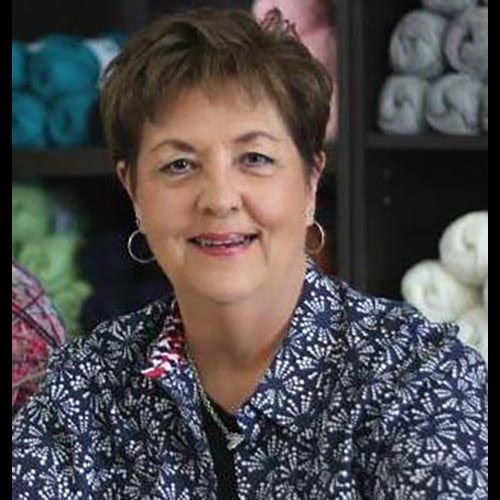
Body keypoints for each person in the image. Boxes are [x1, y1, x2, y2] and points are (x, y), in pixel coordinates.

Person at [12, 7, 487, 499]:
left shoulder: (419, 378)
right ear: (133, 190)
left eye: (255, 158)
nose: (219, 198)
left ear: (310, 182)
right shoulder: (87, 385)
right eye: (179, 165)